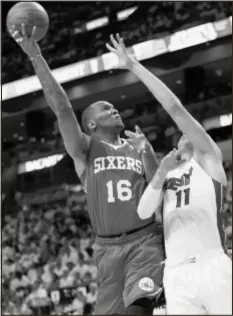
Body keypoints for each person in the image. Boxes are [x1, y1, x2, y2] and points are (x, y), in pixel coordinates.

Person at [10, 26, 166, 314]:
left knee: (139, 307)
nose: (115, 110)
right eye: (106, 109)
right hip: (107, 250)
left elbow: (159, 185)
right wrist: (36, 57)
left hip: (145, 242)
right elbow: (62, 108)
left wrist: (147, 152)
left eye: (113, 107)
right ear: (91, 125)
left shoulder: (137, 146)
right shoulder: (85, 150)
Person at [137, 67, 232, 314]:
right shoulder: (168, 173)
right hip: (176, 271)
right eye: (180, 135)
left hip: (212, 262)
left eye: (188, 131)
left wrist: (133, 66)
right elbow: (146, 207)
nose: (184, 134)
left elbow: (175, 107)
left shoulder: (209, 158)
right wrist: (154, 162)